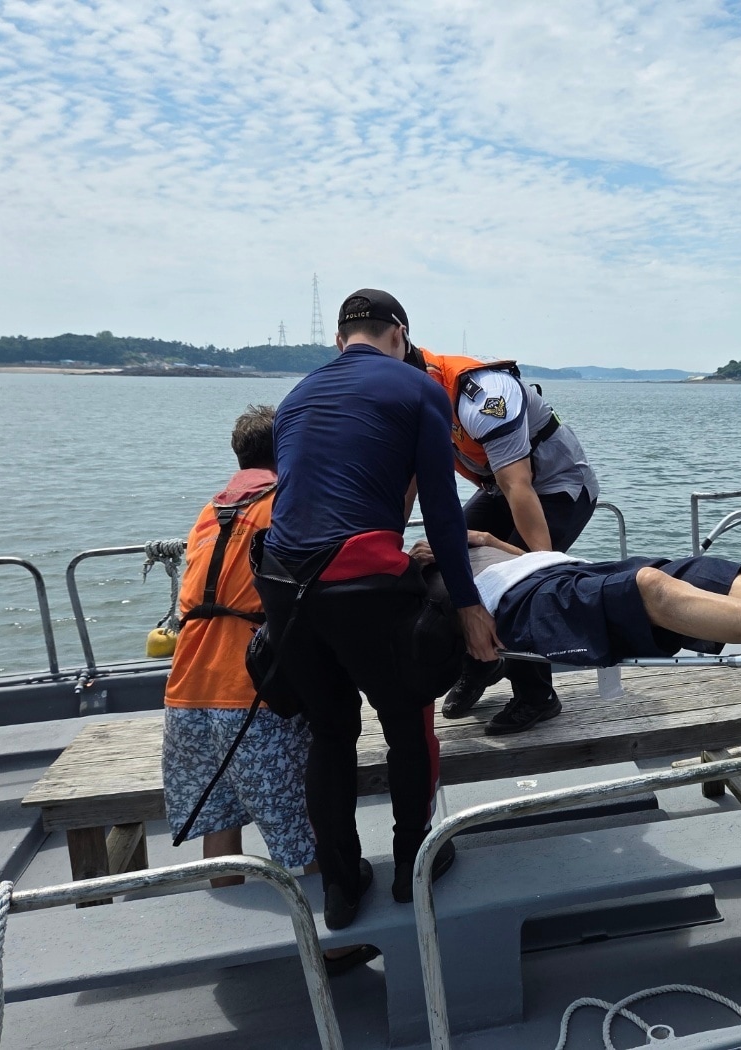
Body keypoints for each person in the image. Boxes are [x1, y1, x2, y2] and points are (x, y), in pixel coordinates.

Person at [254, 289, 500, 932]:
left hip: (283, 586)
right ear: (400, 334)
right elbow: (443, 513)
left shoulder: (295, 398)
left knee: (331, 733)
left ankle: (340, 887)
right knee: (405, 718)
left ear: (339, 340)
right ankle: (412, 862)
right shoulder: (418, 388)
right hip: (360, 583)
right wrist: (469, 607)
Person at [161, 405, 314, 887]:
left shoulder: (212, 510)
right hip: (247, 695)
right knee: (297, 829)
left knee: (219, 816)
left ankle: (228, 935)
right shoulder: (284, 504)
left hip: (185, 693)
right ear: (288, 450)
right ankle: (334, 942)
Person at [416, 348, 601, 734]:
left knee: (517, 584)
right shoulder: (406, 399)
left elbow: (518, 484)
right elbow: (412, 485)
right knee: (440, 561)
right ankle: (482, 664)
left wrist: (527, 560)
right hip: (500, 487)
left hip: (558, 487)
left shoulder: (484, 396)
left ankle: (537, 695)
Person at [413, 533, 741, 665]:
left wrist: (485, 541)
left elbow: (534, 553)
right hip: (529, 606)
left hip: (560, 572)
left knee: (693, 570)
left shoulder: (471, 542)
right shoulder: (430, 580)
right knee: (647, 587)